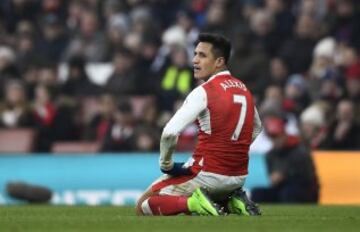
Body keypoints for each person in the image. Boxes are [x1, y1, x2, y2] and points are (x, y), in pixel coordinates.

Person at [136, 33, 262, 216]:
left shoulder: (204, 91)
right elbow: (257, 127)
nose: (195, 60)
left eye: (202, 55)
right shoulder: (244, 89)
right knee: (197, 195)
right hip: (238, 176)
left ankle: (195, 204)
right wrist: (232, 151)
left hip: (207, 172)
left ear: (219, 61)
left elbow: (170, 132)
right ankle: (232, 202)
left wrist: (167, 165)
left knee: (143, 205)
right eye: (195, 54)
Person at [251, 113, 319, 203]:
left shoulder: (299, 151)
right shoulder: (271, 154)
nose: (275, 140)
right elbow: (271, 178)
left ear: (284, 134)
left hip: (303, 190)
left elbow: (304, 177)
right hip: (282, 189)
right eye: (271, 137)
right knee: (257, 193)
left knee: (289, 191)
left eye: (277, 136)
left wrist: (281, 176)